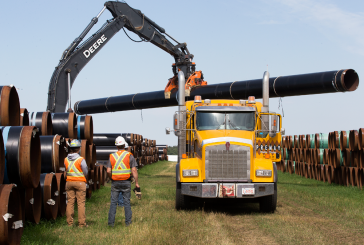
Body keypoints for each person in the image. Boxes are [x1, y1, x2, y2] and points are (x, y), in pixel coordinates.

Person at [107, 136, 140, 227]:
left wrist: (111, 178)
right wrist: (136, 183)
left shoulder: (111, 156)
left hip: (115, 182)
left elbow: (108, 171)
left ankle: (110, 224)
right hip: (126, 182)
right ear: (124, 145)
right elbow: (134, 170)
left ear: (117, 146)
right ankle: (128, 223)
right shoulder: (129, 155)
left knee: (113, 202)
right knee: (127, 202)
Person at [64, 139, 88, 227]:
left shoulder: (66, 159)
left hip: (69, 182)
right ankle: (81, 224)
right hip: (80, 183)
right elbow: (85, 170)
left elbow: (66, 169)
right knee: (80, 203)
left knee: (70, 202)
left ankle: (69, 223)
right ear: (78, 149)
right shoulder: (81, 159)